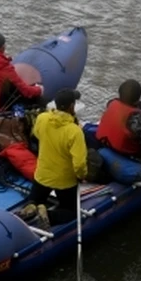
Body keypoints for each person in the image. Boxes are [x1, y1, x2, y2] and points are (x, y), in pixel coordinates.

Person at [24, 88, 88, 229]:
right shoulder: (74, 131)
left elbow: (37, 134)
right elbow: (79, 163)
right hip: (64, 181)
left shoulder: (42, 118)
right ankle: (48, 214)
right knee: (71, 212)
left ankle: (32, 206)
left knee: (35, 198)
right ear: (72, 106)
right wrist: (81, 176)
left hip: (42, 175)